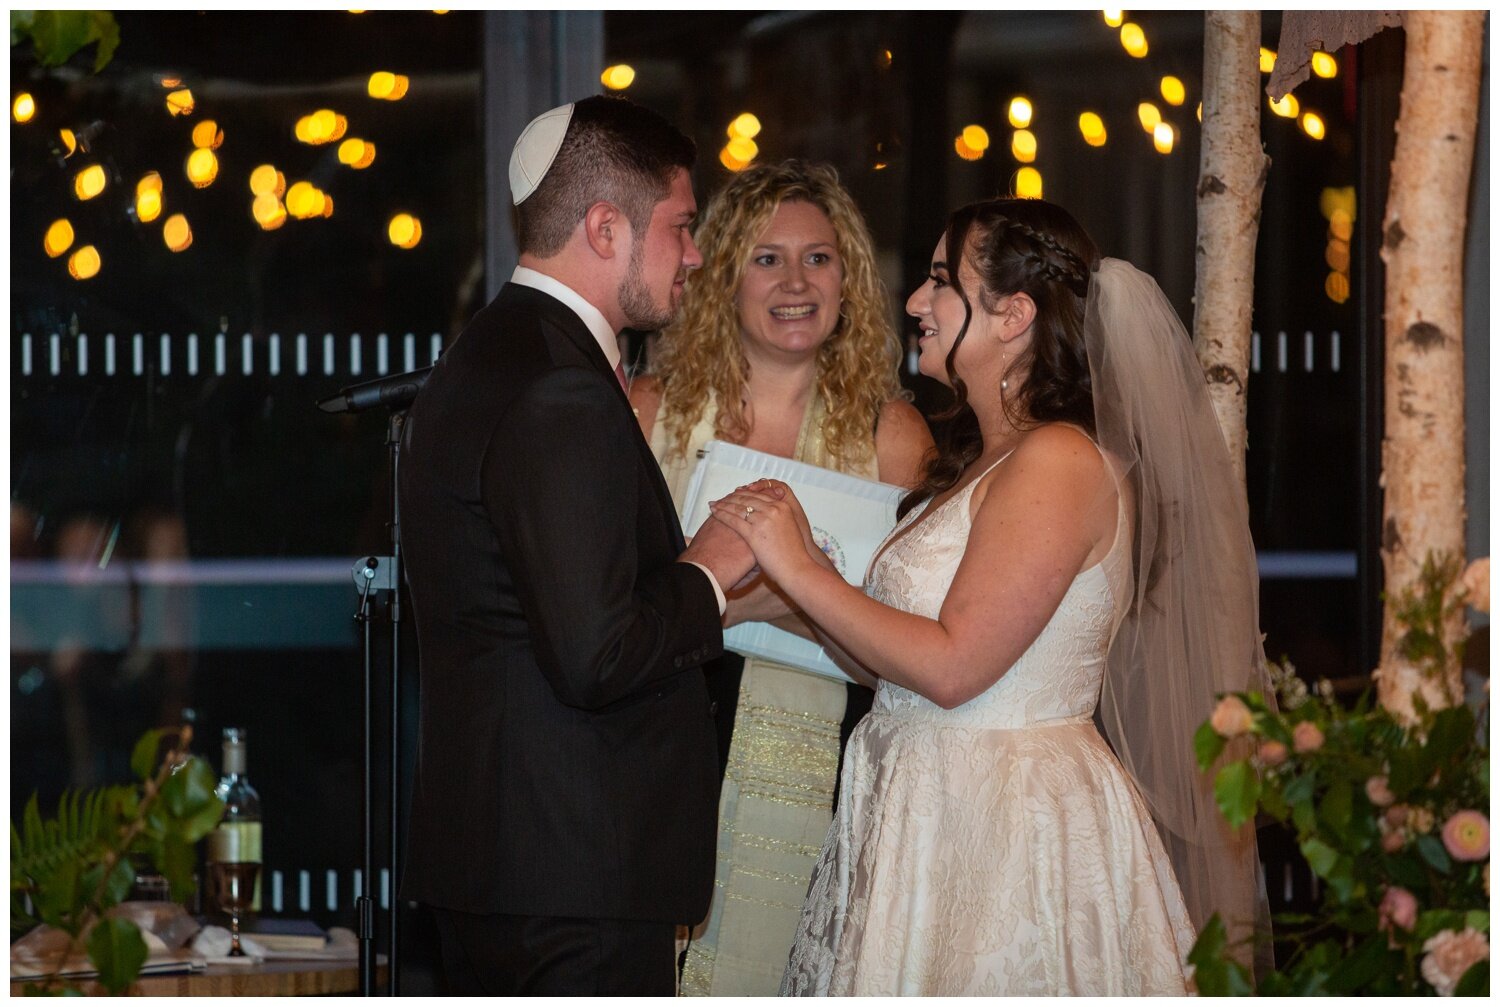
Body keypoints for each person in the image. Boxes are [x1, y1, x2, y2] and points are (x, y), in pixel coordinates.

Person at [708, 198, 1270, 995]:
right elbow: (899, 670)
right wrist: (773, 603)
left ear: (1013, 315)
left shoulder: (1060, 461)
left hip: (1007, 825)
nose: (914, 303)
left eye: (941, 282)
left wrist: (801, 565)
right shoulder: (979, 458)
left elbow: (954, 666)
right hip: (922, 803)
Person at [398, 95, 758, 996]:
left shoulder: (496, 351)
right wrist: (708, 571)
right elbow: (595, 652)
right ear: (606, 228)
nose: (697, 253)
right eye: (681, 226)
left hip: (518, 867)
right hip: (570, 880)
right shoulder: (559, 382)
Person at [627, 160, 933, 995]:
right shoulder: (645, 411)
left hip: (818, 784)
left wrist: (724, 595)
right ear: (723, 277)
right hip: (651, 763)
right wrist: (804, 594)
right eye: (767, 258)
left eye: (819, 258)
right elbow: (614, 612)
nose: (795, 281)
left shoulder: (895, 436)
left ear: (849, 280)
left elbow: (902, 658)